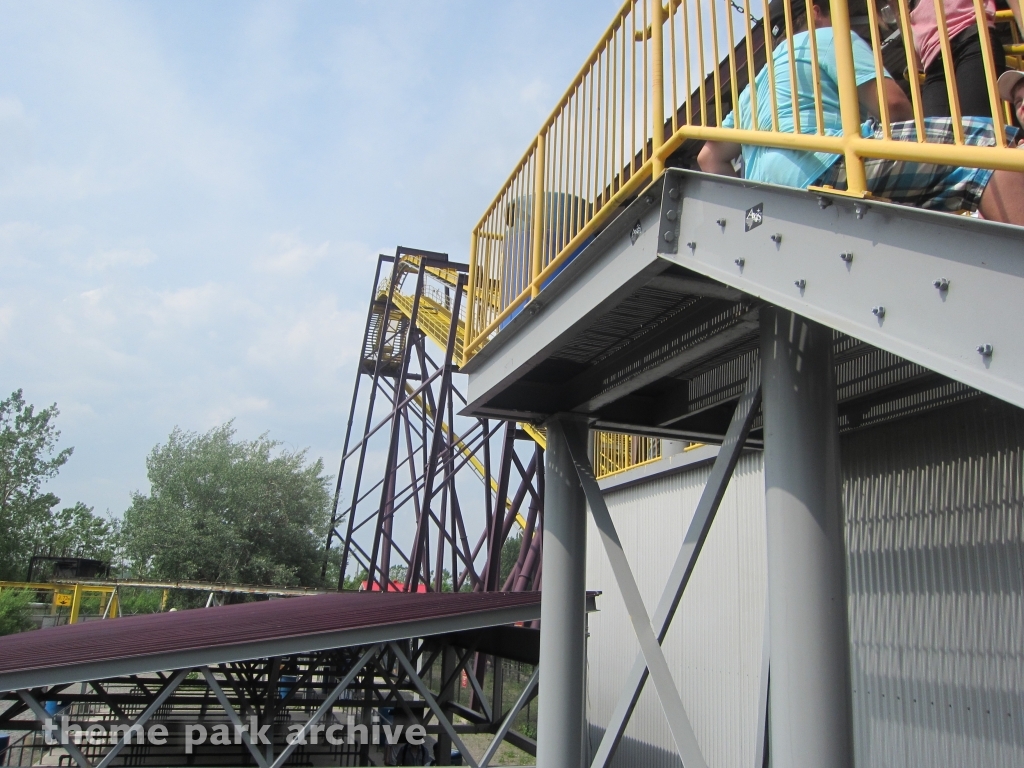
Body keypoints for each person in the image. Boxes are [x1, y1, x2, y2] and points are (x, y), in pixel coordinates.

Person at [697, 0, 1024, 226]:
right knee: (988, 145)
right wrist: (915, 143)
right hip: (831, 164)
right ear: (815, 12)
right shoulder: (826, 37)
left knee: (937, 186)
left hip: (772, 196)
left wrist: (751, 204)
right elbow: (892, 104)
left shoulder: (754, 86)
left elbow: (707, 159)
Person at [908, 0, 1007, 119]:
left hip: (970, 38)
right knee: (933, 134)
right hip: (933, 63)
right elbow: (916, 60)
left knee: (976, 125)